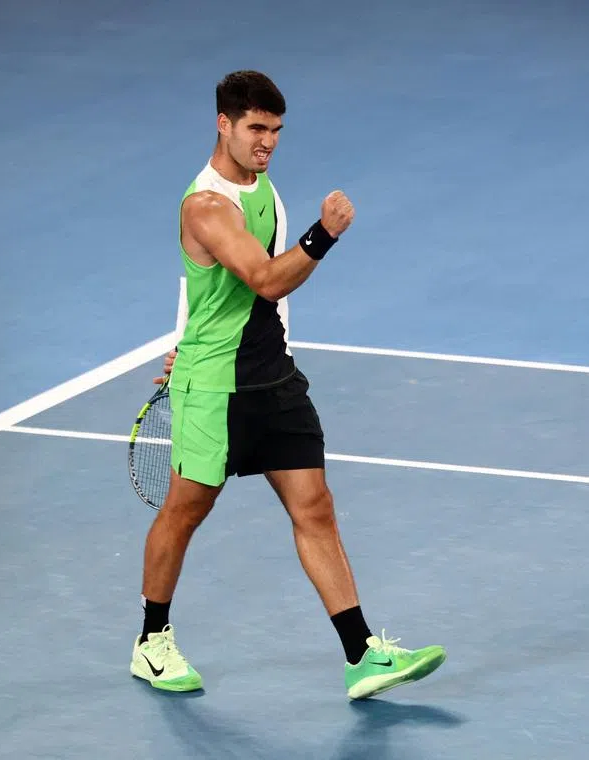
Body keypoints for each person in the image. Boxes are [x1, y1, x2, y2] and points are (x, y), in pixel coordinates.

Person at [129, 70, 446, 700]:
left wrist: (183, 333)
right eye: (255, 128)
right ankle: (151, 641)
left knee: (315, 507)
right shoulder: (206, 206)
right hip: (216, 388)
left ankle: (361, 654)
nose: (267, 142)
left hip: (273, 377)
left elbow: (202, 287)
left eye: (275, 130)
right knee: (186, 511)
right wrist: (323, 233)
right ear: (223, 123)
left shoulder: (259, 185)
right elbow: (265, 279)